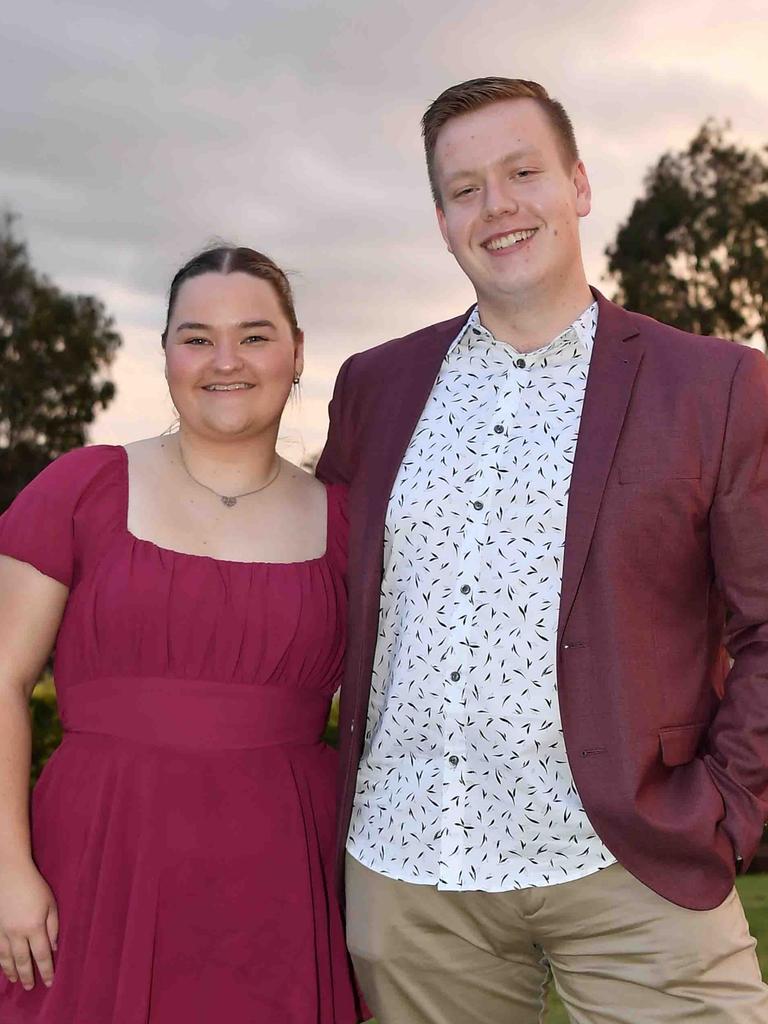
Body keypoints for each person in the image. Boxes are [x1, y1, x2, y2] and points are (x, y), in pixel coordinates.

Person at [317, 77, 768, 1023]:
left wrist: (727, 809)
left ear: (579, 185)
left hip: (635, 861)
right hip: (413, 872)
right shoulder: (374, 387)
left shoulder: (714, 384)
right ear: (442, 222)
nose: (500, 207)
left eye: (524, 172)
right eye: (466, 188)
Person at [0, 246, 366, 1023]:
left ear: (297, 354)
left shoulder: (348, 524)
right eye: (197, 336)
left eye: (255, 336)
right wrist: (6, 869)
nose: (224, 360)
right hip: (95, 858)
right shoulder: (81, 488)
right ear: (164, 352)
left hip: (280, 874)